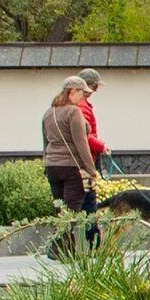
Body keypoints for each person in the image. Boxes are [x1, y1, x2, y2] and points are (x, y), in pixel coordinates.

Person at [41, 78, 100, 214]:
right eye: (82, 93)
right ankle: (63, 236)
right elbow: (81, 143)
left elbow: (45, 143)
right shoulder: (73, 112)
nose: (83, 98)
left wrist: (46, 165)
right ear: (72, 91)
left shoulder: (49, 112)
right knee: (71, 213)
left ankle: (62, 235)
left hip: (52, 167)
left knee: (60, 211)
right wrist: (91, 170)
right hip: (71, 167)